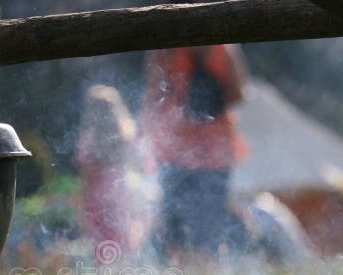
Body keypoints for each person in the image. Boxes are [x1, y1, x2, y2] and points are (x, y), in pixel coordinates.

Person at [140, 44, 249, 259]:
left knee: (186, 222)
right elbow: (237, 93)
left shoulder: (167, 48)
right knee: (199, 222)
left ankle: (192, 272)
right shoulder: (222, 49)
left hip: (192, 150)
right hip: (201, 150)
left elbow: (153, 94)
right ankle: (197, 270)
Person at [74, 84, 141, 257]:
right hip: (120, 194)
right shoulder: (127, 137)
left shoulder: (89, 141)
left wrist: (81, 202)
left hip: (96, 199)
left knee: (101, 246)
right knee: (122, 242)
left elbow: (85, 176)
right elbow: (137, 166)